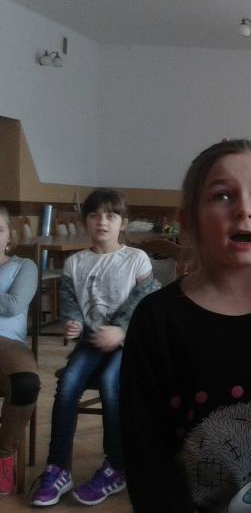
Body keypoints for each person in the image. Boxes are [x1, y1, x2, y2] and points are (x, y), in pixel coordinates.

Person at [120, 140, 251, 512]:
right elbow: (144, 453)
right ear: (189, 220)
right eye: (223, 196)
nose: (244, 210)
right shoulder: (156, 318)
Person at [31, 189, 158, 507]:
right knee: (68, 384)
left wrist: (122, 330)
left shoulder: (136, 258)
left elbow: (146, 302)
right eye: (94, 215)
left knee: (110, 383)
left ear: (122, 223)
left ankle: (116, 466)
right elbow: (70, 301)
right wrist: (72, 323)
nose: (102, 221)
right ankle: (58, 468)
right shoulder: (75, 262)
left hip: (126, 344)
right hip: (91, 342)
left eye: (111, 215)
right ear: (85, 221)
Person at [0, 206, 39, 495]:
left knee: (25, 384)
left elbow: (14, 305)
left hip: (8, 343)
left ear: (9, 237)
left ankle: (4, 456)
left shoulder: (24, 266)